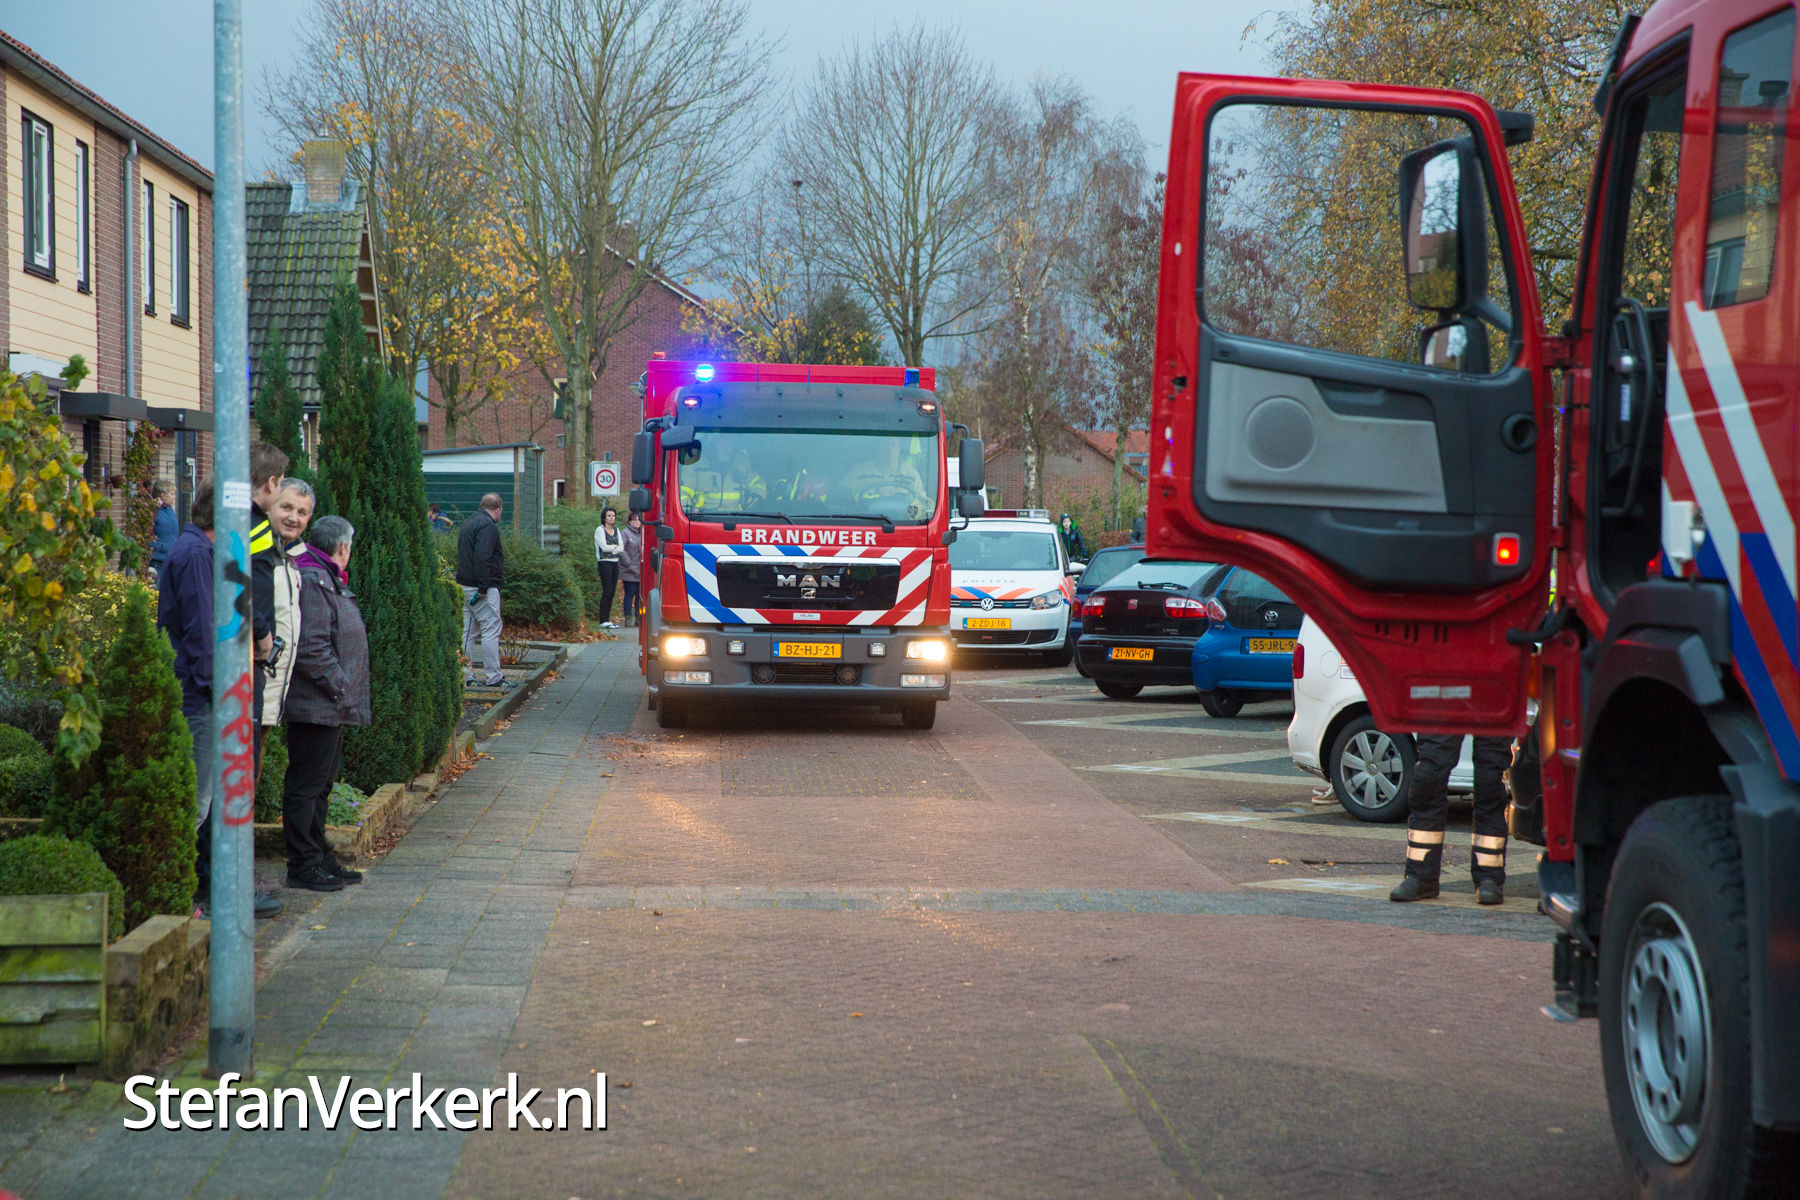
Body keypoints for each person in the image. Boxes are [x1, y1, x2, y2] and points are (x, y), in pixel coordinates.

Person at [154, 480, 282, 920]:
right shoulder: (195, 556)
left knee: (204, 801)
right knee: (195, 802)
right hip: (201, 700)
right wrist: (223, 695)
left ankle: (190, 896)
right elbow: (202, 631)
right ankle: (174, 905)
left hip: (206, 696)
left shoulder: (201, 552)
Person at [283, 515, 371, 891]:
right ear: (343, 547)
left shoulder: (325, 576)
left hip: (330, 704)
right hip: (317, 704)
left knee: (321, 786)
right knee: (307, 786)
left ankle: (319, 855)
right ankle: (303, 864)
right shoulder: (315, 579)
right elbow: (312, 647)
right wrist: (340, 688)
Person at [1390, 734, 1513, 905]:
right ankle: (1420, 875)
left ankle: (1489, 877)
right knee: (1427, 777)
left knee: (1490, 780)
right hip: (1444, 716)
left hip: (1491, 717)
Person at [261, 479, 315, 729]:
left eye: (302, 512)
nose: (294, 518)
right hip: (247, 695)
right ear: (270, 506)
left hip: (272, 700)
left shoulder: (290, 560)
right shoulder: (256, 556)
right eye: (286, 507)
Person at [456, 493, 509, 689]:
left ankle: (465, 676)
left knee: (468, 632)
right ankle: (494, 677)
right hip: (481, 587)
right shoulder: (488, 526)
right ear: (498, 509)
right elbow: (483, 556)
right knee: (491, 629)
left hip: (464, 585)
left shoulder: (469, 523)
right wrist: (484, 586)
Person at [593, 507, 623, 629]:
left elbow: (622, 547)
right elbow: (604, 548)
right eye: (609, 515)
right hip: (604, 562)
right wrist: (615, 547)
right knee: (607, 591)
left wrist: (614, 548)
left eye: (613, 516)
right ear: (604, 517)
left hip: (615, 562)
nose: (611, 518)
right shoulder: (600, 530)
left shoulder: (616, 530)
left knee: (612, 592)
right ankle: (603, 620)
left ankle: (607, 619)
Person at [148, 479, 179, 582]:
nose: (174, 497)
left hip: (170, 558)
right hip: (157, 559)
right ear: (163, 495)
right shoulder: (154, 509)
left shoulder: (169, 509)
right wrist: (154, 509)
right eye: (172, 494)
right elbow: (148, 529)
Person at [620, 511, 644, 627]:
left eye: (639, 520)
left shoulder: (642, 533)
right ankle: (628, 617)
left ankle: (638, 618)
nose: (637, 522)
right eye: (634, 520)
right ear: (629, 522)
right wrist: (628, 563)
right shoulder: (625, 533)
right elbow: (621, 549)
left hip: (641, 570)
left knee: (639, 596)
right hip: (629, 570)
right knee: (629, 594)